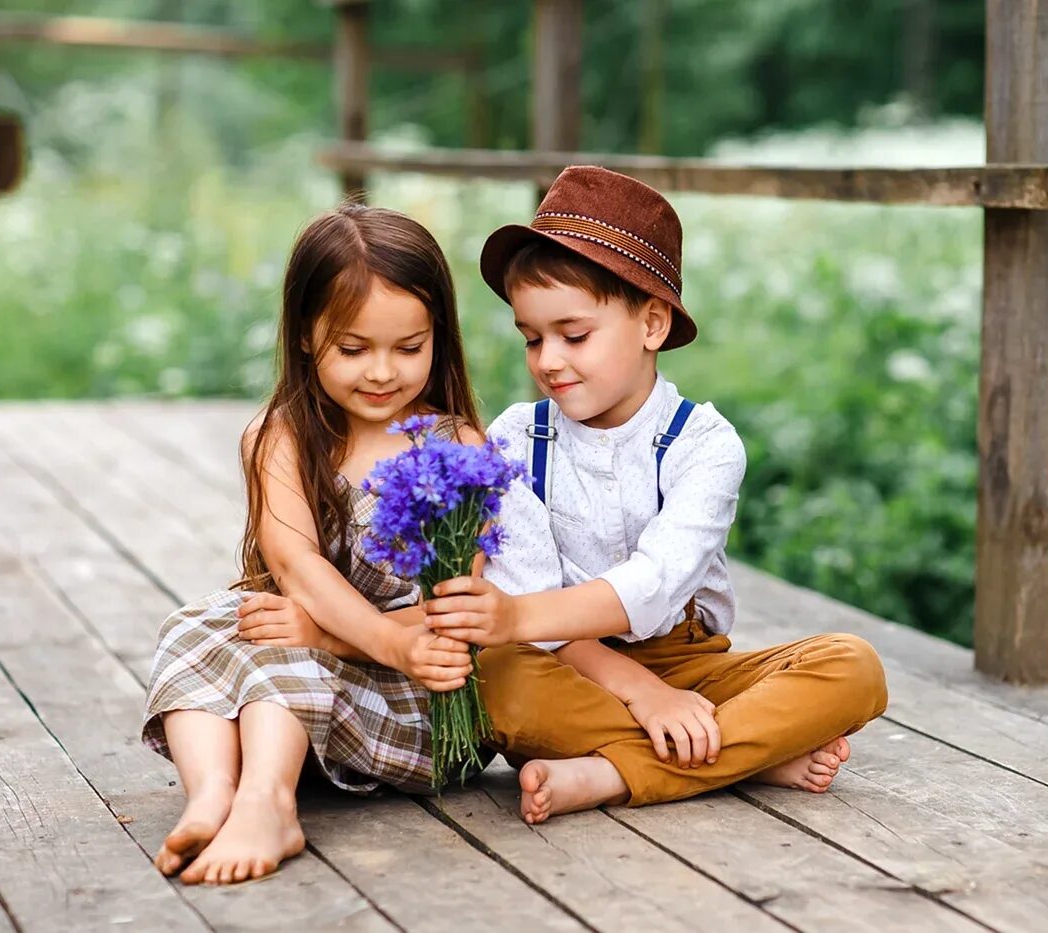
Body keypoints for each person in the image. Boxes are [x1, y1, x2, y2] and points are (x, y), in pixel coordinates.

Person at [426, 166, 890, 824]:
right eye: (531, 337)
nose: (548, 360)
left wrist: (524, 623)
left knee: (853, 666)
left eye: (574, 334)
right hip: (575, 669)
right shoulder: (514, 438)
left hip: (692, 664)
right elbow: (530, 597)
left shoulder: (704, 442)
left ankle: (613, 772)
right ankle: (745, 756)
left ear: (651, 322)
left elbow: (654, 583)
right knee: (497, 680)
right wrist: (637, 693)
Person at [140, 203, 559, 884]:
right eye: (353, 348)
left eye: (409, 347)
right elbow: (295, 564)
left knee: (289, 650)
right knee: (198, 623)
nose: (382, 372)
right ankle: (215, 789)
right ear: (306, 336)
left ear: (439, 337)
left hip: (419, 700)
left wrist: (340, 637)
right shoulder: (279, 436)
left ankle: (270, 799)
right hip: (305, 690)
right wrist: (317, 628)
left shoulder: (458, 448)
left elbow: (455, 607)